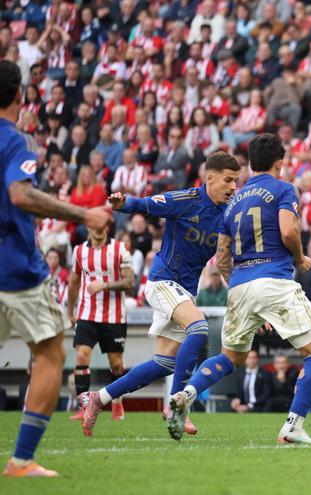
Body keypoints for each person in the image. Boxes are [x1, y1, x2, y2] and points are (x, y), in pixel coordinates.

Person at [167, 133, 311, 446]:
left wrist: (244, 291)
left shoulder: (234, 202)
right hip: (275, 280)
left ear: (251, 164)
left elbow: (223, 257)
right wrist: (299, 258)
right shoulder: (284, 189)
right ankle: (293, 426)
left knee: (231, 357)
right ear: (279, 163)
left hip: (240, 286)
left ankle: (186, 394)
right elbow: (288, 229)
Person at [77, 152, 241, 437]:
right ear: (210, 178)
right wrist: (122, 203)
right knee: (199, 328)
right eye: (228, 180)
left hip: (184, 292)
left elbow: (226, 261)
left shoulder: (227, 215)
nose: (233, 187)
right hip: (162, 282)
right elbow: (146, 204)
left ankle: (98, 398)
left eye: (236, 181)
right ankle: (177, 404)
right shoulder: (186, 200)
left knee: (164, 363)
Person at [1, 60, 112, 478]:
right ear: (20, 95)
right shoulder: (17, 141)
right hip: (13, 268)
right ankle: (22, 460)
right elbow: (20, 194)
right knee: (49, 353)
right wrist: (82, 214)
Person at [67, 222, 134, 423]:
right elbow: (74, 281)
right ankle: (84, 408)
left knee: (116, 364)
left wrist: (103, 285)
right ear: (88, 227)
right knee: (81, 355)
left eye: (102, 226)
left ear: (107, 229)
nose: (98, 229)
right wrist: (70, 311)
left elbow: (130, 283)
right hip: (87, 313)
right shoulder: (78, 251)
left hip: (114, 316)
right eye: (94, 226)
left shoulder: (120, 249)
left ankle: (116, 401)